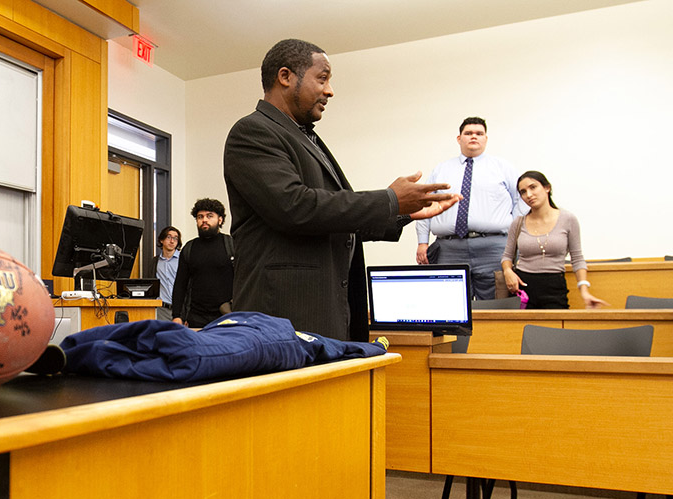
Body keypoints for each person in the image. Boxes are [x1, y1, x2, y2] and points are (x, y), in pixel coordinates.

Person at [223, 38, 459, 342]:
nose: (329, 90)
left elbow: (335, 217)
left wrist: (402, 212)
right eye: (322, 78)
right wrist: (389, 200)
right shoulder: (252, 131)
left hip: (328, 314)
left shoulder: (307, 138)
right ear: (285, 77)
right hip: (285, 317)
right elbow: (295, 207)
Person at [415, 117, 526, 300]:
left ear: (486, 139)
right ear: (459, 139)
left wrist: (517, 242)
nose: (473, 137)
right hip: (449, 249)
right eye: (468, 133)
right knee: (449, 306)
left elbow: (519, 203)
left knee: (497, 305)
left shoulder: (503, 168)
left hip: (493, 248)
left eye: (479, 133)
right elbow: (424, 203)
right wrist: (422, 242)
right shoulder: (441, 169)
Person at [501, 171, 608, 309]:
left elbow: (577, 258)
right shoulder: (518, 222)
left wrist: (584, 290)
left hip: (554, 286)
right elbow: (507, 256)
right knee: (520, 330)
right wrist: (508, 271)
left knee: (554, 329)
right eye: (523, 192)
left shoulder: (568, 219)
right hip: (523, 288)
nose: (528, 195)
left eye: (533, 187)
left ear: (547, 188)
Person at [171, 199, 235, 328]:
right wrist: (177, 315)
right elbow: (180, 285)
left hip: (227, 316)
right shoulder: (189, 248)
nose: (204, 220)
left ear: (220, 220)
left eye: (210, 216)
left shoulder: (232, 245)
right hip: (196, 318)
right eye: (200, 217)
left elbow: (245, 280)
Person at [152, 226, 181, 321]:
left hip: (180, 310)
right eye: (169, 237)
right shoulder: (155, 262)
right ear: (161, 240)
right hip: (161, 309)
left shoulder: (183, 260)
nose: (172, 241)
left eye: (175, 238)